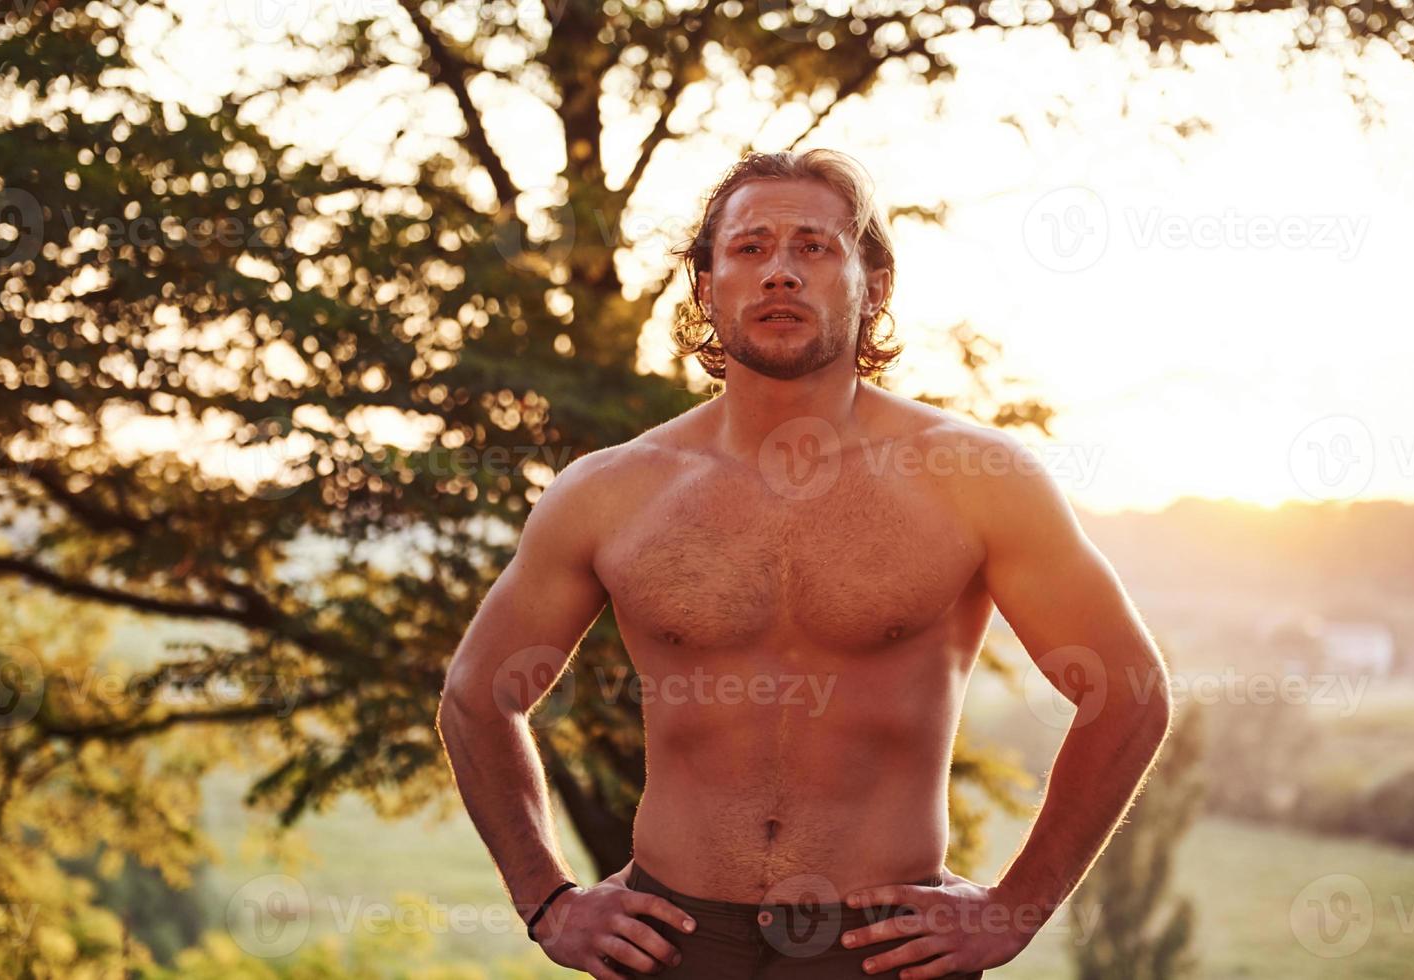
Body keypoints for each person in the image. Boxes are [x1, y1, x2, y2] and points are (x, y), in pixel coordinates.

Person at [436, 148, 1174, 979]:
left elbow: (1126, 691)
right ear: (706, 284)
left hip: (882, 947)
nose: (779, 273)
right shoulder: (608, 492)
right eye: (749, 248)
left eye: (814, 247)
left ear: (873, 284)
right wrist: (547, 901)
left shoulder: (976, 479)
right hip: (671, 944)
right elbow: (477, 696)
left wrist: (1015, 909)